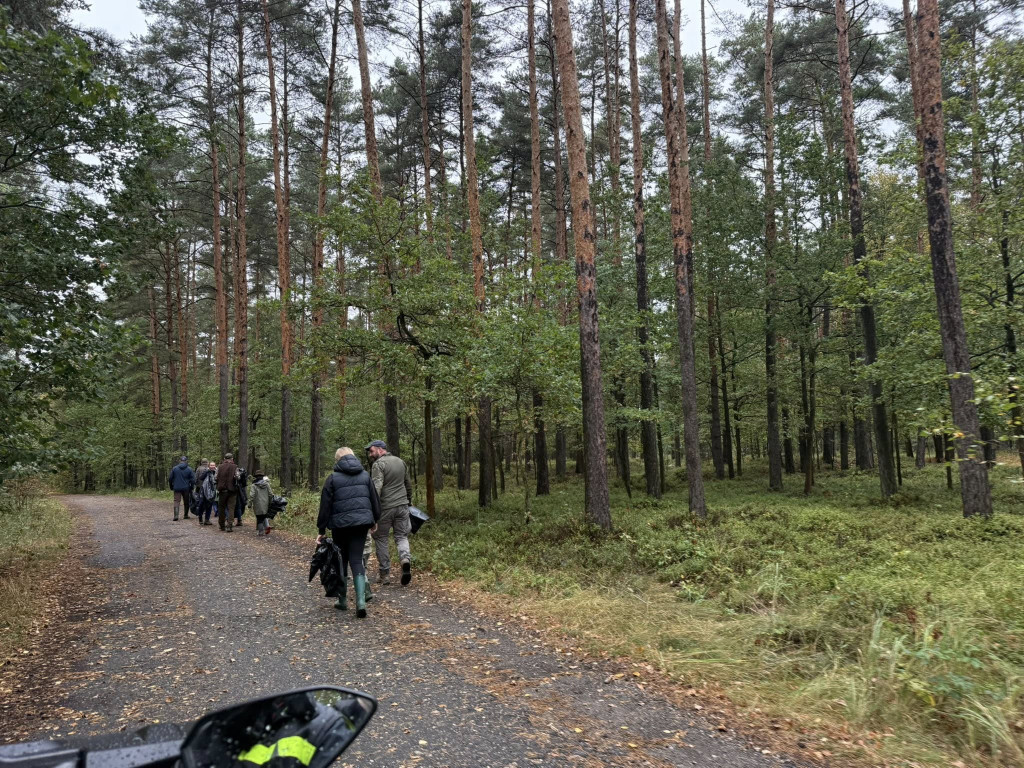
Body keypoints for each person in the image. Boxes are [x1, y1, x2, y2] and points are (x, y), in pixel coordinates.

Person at [317, 447, 381, 617]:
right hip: (361, 524)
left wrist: (321, 529)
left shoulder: (332, 479)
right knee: (356, 559)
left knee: (341, 560)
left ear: (337, 460)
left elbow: (325, 505)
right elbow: (374, 500)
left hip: (339, 526)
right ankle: (360, 602)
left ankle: (343, 600)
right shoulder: (365, 476)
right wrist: (374, 520)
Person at [365, 440, 413, 586]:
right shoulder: (400, 462)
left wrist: (373, 508)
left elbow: (376, 487)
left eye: (372, 451)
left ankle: (384, 574)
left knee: (380, 538)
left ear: (380, 450)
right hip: (402, 505)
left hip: (385, 508)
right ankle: (405, 559)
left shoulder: (378, 465)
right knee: (401, 536)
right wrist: (409, 501)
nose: (371, 454)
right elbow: (408, 484)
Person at [168, 455, 196, 522]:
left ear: (180, 461)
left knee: (176, 501)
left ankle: (176, 516)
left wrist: (171, 486)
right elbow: (193, 480)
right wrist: (192, 487)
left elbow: (170, 478)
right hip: (186, 488)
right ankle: (185, 515)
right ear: (186, 461)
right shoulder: (189, 469)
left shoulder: (175, 468)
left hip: (177, 487)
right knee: (186, 501)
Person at [216, 453, 238, 532]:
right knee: (231, 508)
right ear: (232, 459)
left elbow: (215, 477)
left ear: (224, 459)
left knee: (221, 508)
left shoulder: (219, 467)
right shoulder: (235, 467)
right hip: (232, 491)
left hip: (222, 491)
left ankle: (222, 525)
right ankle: (229, 525)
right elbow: (237, 477)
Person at [249, 470, 272, 536]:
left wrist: (249, 504)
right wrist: (270, 502)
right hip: (266, 503)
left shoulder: (254, 485)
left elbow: (251, 495)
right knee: (264, 515)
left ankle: (261, 531)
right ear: (262, 477)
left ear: (256, 477)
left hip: (257, 504)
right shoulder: (267, 484)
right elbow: (270, 494)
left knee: (259, 517)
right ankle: (267, 526)